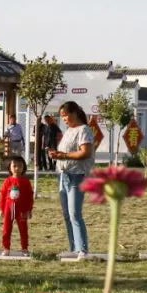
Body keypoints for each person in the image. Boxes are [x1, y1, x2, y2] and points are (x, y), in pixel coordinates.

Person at [51, 102, 96, 255]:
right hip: (63, 175)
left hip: (77, 176)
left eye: (65, 115)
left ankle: (82, 249)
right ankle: (73, 248)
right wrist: (57, 155)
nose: (64, 119)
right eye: (62, 116)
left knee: (75, 213)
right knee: (67, 215)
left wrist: (63, 156)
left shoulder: (84, 130)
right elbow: (66, 151)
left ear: (74, 113)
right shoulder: (69, 131)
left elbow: (85, 152)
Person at [0, 153, 33, 253]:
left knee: (23, 229)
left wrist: (29, 210)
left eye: (20, 166)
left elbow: (29, 196)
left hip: (22, 209)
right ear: (10, 167)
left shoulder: (26, 182)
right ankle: (6, 248)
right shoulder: (7, 181)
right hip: (8, 208)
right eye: (14, 166)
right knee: (6, 228)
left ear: (24, 167)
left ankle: (24, 248)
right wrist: (1, 209)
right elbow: (3, 195)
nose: (17, 168)